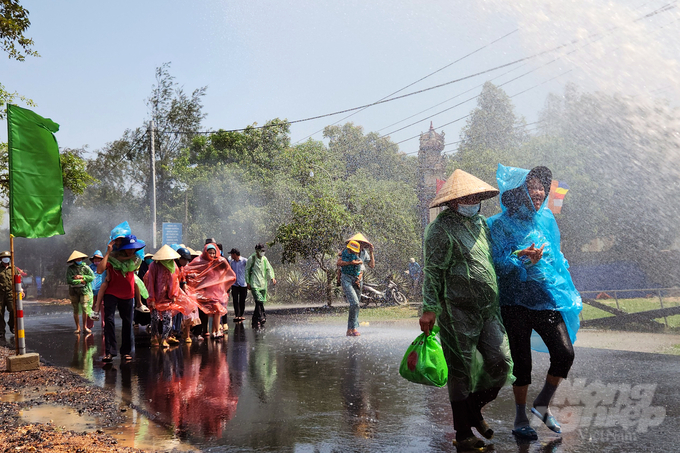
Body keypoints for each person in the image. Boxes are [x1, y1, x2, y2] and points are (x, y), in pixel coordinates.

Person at [418, 169, 514, 452]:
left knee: (501, 362)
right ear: (454, 201)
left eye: (476, 197)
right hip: (456, 309)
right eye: (467, 197)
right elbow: (433, 272)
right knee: (460, 371)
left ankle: (472, 409)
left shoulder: (481, 224)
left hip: (487, 309)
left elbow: (492, 256)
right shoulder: (440, 230)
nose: (474, 201)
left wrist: (522, 256)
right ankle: (462, 433)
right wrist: (429, 309)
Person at [487, 164, 582, 440]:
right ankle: (519, 417)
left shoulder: (547, 219)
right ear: (518, 191)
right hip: (515, 303)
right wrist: (521, 258)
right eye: (533, 187)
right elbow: (497, 264)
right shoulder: (498, 224)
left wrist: (565, 285)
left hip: (546, 298)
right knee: (522, 364)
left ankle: (542, 403)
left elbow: (556, 255)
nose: (539, 192)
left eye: (542, 187)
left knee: (565, 354)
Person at [97, 234, 146, 362]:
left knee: (127, 323)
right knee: (109, 321)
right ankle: (109, 352)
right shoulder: (112, 258)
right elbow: (99, 270)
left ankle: (126, 351)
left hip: (128, 293)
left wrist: (126, 256)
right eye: (128, 248)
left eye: (132, 248)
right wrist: (108, 252)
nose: (130, 250)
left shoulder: (135, 259)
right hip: (111, 292)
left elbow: (133, 264)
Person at [144, 245, 199, 348]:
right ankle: (154, 337)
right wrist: (151, 298)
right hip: (155, 297)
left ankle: (164, 339)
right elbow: (150, 282)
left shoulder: (173, 266)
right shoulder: (154, 266)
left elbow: (175, 282)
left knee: (167, 319)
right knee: (155, 319)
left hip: (167, 297)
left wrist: (174, 295)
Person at [184, 243, 236, 338]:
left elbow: (226, 271)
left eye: (213, 253)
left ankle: (215, 331)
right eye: (210, 253)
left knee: (216, 311)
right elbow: (188, 270)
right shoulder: (200, 261)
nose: (211, 255)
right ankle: (211, 331)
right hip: (206, 292)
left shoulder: (218, 262)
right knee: (212, 311)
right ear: (205, 252)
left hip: (217, 291)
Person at [336, 233, 375, 337]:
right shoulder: (346, 251)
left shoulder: (363, 253)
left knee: (356, 305)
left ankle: (352, 329)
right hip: (347, 278)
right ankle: (351, 328)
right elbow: (339, 263)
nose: (360, 244)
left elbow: (371, 265)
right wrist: (351, 263)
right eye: (358, 242)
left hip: (358, 280)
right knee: (354, 303)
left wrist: (371, 252)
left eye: (362, 243)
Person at [245, 243, 276, 328]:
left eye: (263, 251)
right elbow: (247, 271)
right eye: (261, 250)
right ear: (257, 250)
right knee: (259, 300)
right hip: (254, 283)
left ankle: (255, 320)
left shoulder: (264, 259)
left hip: (263, 283)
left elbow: (269, 268)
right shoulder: (252, 259)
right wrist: (247, 282)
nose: (263, 252)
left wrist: (272, 277)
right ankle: (261, 317)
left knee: (260, 301)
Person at [66, 251, 95, 334]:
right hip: (73, 291)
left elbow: (92, 277)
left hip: (84, 290)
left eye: (80, 258)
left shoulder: (85, 267)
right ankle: (78, 327)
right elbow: (69, 280)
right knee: (75, 309)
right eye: (77, 259)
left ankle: (85, 326)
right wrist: (79, 281)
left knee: (85, 308)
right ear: (74, 260)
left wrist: (82, 277)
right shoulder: (70, 269)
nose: (79, 260)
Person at [229, 248, 248, 323]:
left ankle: (241, 315)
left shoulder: (244, 261)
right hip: (235, 284)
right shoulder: (232, 262)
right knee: (235, 300)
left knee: (242, 300)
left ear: (235, 254)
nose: (231, 255)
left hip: (243, 283)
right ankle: (237, 315)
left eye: (231, 254)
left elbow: (249, 268)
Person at [0, 251, 15, 336]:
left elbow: (18, 280)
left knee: (13, 310)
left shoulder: (13, 268)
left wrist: (21, 290)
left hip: (10, 294)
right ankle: (1, 331)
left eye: (8, 257)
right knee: (0, 312)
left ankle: (12, 325)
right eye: (4, 257)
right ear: (1, 259)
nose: (6, 259)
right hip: (0, 294)